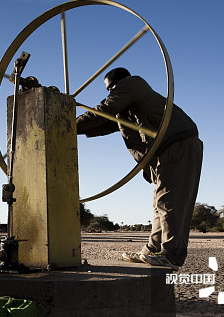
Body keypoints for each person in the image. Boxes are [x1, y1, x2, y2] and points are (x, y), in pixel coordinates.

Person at [76, 67, 202, 270]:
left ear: (119, 83)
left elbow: (104, 110)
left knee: (170, 202)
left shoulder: (132, 85)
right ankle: (152, 250)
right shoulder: (129, 106)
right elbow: (104, 123)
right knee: (159, 203)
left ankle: (172, 255)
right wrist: (72, 127)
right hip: (165, 151)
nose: (111, 93)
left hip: (177, 144)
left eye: (111, 89)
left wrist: (67, 122)